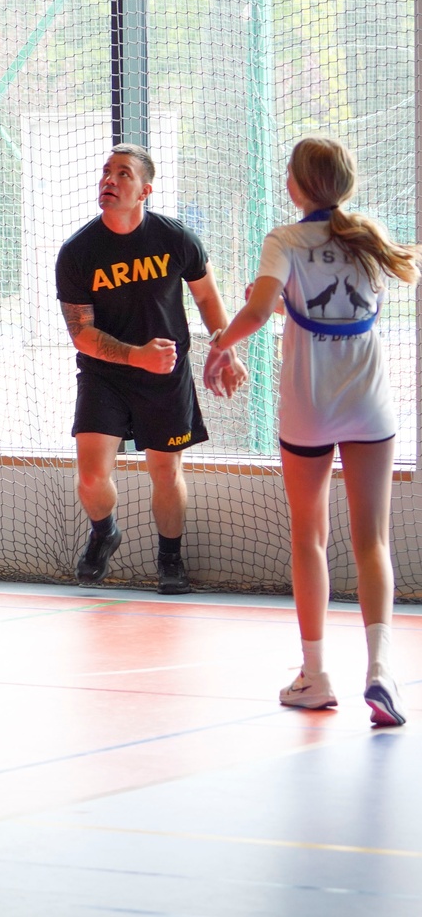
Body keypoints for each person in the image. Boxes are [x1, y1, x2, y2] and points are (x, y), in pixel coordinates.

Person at [203, 136, 418, 725]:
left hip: (309, 407)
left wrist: (221, 346)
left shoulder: (286, 240)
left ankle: (315, 674)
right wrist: (278, 306)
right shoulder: (369, 239)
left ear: (296, 185)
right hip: (370, 406)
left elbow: (255, 310)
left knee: (310, 537)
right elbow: (337, 309)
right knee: (372, 540)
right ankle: (381, 672)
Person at [55, 144, 246, 593]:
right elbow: (81, 333)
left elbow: (207, 298)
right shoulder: (77, 252)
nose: (110, 180)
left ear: (145, 190)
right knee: (91, 476)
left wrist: (227, 348)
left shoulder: (176, 238)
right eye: (106, 172)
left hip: (165, 375)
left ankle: (170, 560)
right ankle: (104, 532)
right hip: (106, 374)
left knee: (165, 471)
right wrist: (136, 355)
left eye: (123, 174)